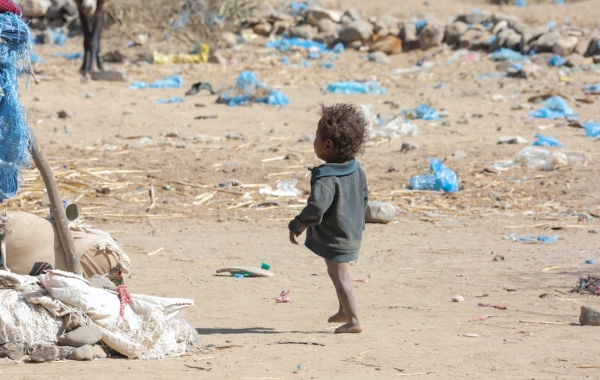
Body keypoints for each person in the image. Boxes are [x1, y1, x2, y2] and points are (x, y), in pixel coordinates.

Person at [288, 103, 368, 334]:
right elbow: (364, 197)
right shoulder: (355, 169)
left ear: (328, 145)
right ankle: (344, 310)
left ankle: (354, 320)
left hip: (336, 236)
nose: (314, 140)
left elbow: (316, 208)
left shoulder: (326, 178)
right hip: (351, 231)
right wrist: (359, 224)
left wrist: (297, 224)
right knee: (335, 272)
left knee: (340, 275)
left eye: (316, 136)